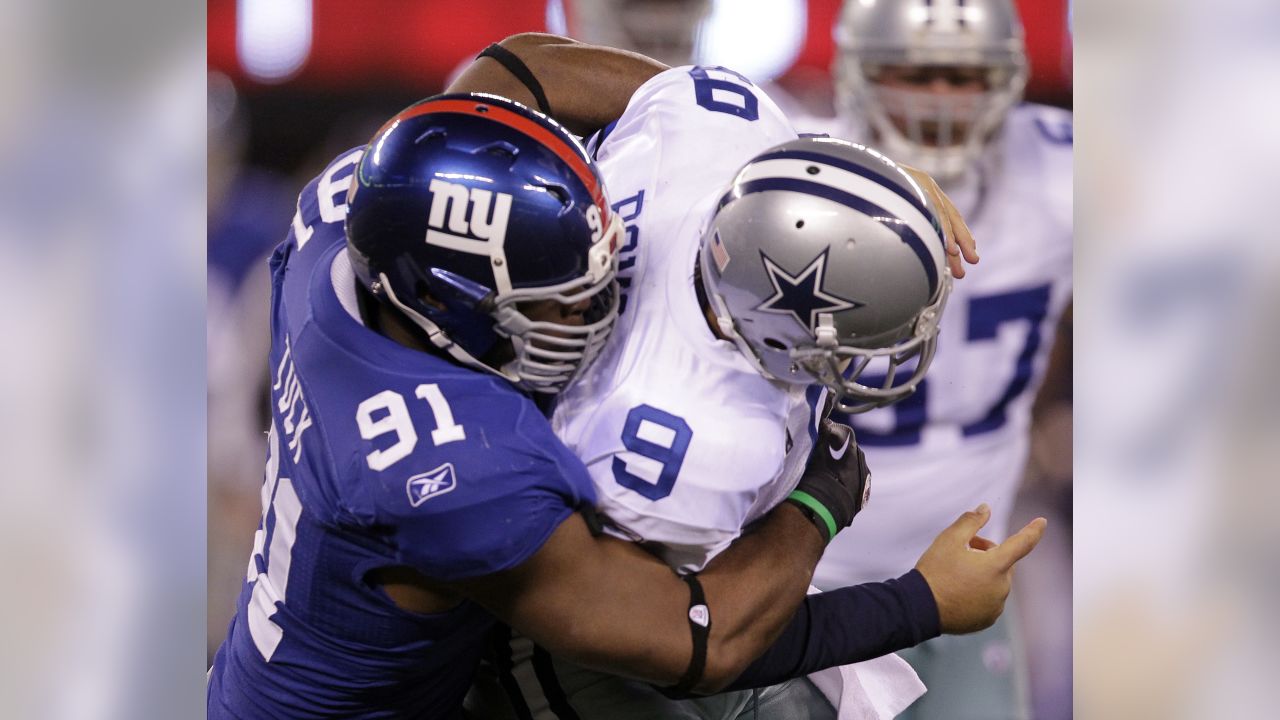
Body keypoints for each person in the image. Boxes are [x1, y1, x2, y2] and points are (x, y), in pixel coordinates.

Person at [206, 34, 1038, 720]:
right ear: (444, 305)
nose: (600, 312)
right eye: (560, 305)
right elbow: (700, 641)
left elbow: (502, 80)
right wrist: (871, 550)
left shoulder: (346, 216)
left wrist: (825, 171)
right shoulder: (455, 468)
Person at [802, 2, 1074, 719]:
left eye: (964, 75)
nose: (939, 99)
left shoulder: (1057, 172)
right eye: (914, 73)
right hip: (803, 587)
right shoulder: (796, 187)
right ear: (858, 72)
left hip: (966, 585)